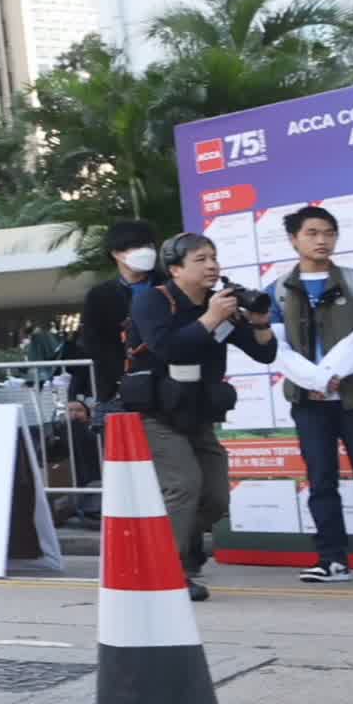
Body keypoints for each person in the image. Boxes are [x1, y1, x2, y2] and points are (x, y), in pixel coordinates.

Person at [123, 232, 276, 601]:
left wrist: (258, 323)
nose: (212, 266)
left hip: (197, 413)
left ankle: (183, 550)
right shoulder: (151, 301)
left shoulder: (219, 305)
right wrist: (210, 319)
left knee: (216, 497)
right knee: (183, 485)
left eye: (214, 258)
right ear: (175, 269)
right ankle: (167, 571)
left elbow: (265, 356)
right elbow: (167, 347)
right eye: (201, 259)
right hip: (156, 412)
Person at [267, 205, 353, 586]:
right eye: (312, 233)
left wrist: (332, 373)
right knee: (321, 481)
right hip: (310, 403)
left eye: (328, 232)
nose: (321, 240)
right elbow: (275, 347)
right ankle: (332, 560)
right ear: (294, 239)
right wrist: (317, 381)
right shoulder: (276, 290)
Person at [76, 220, 158, 415]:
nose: (145, 251)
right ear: (116, 253)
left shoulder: (170, 286)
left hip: (168, 386)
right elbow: (93, 345)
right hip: (120, 391)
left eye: (149, 245)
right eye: (136, 246)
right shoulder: (100, 296)